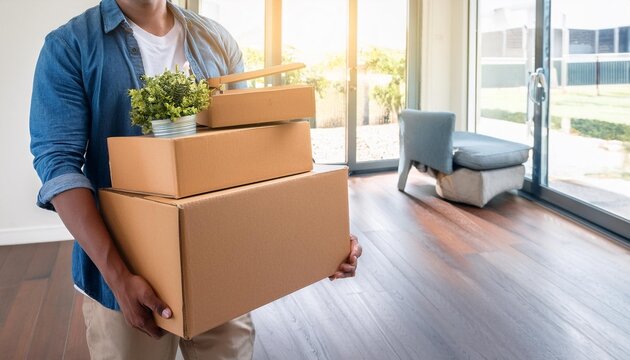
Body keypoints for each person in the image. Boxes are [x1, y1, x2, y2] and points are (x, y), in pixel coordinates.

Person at [29, 0, 362, 359]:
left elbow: (250, 149)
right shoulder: (70, 46)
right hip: (126, 281)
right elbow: (59, 164)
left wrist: (322, 232)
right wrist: (119, 278)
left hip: (222, 266)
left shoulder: (215, 39)